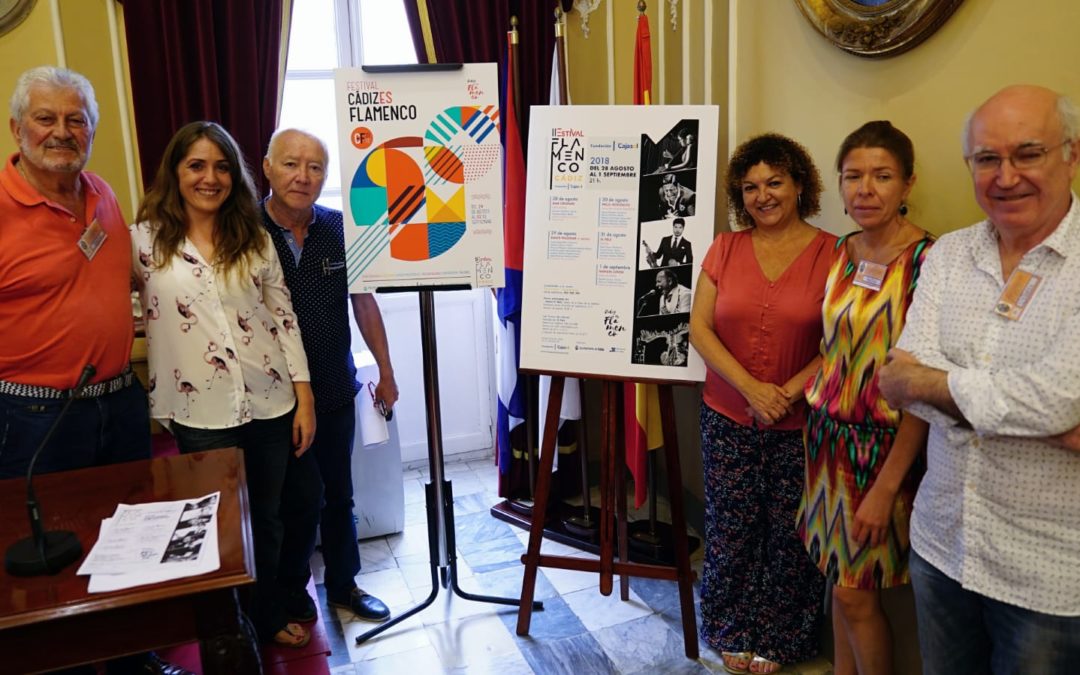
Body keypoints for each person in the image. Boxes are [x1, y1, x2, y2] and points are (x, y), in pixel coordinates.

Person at [878, 85, 1080, 673]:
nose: (1006, 175)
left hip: (1048, 572)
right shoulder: (949, 255)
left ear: (1071, 154)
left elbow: (1055, 399)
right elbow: (899, 374)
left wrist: (930, 384)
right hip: (943, 543)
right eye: (987, 159)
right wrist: (1039, 418)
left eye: (1028, 153)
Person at [0, 66, 192, 675]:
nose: (62, 132)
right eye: (46, 118)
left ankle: (135, 660)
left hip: (119, 402)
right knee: (53, 558)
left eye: (75, 119)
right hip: (34, 418)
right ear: (17, 127)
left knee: (132, 542)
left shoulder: (103, 194)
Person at [131, 121, 317, 649]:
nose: (210, 178)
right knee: (214, 530)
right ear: (175, 172)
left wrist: (304, 397)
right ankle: (224, 630)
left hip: (271, 402)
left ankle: (267, 614)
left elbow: (283, 318)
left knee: (269, 520)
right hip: (199, 412)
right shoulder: (143, 241)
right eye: (196, 165)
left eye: (221, 167)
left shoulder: (252, 236)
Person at [689, 133, 834, 674]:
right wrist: (751, 388)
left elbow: (839, 343)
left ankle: (780, 637)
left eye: (774, 182)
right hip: (726, 414)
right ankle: (728, 626)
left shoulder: (833, 253)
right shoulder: (724, 248)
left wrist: (784, 394)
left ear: (799, 185)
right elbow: (699, 329)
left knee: (789, 533)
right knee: (731, 525)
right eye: (750, 187)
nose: (762, 195)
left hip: (799, 422)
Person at [795, 121, 933, 675]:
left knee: (858, 595)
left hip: (881, 451)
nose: (865, 189)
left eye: (882, 176)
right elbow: (834, 349)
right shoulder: (842, 250)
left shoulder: (928, 261)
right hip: (826, 440)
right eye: (853, 176)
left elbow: (922, 391)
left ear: (907, 183)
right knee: (839, 582)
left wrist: (888, 488)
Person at [261, 128, 396, 623]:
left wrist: (386, 370)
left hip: (335, 389)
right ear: (267, 167)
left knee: (338, 496)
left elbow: (364, 303)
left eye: (315, 167)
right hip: (269, 400)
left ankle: (344, 585)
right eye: (292, 164)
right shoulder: (244, 231)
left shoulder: (342, 228)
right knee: (288, 504)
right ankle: (290, 595)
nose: (303, 176)